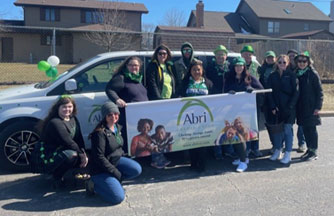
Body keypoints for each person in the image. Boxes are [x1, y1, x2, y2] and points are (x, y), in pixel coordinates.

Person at [88, 102, 142, 204]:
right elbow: (99, 157)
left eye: (115, 113)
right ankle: (94, 185)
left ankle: (112, 183)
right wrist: (114, 172)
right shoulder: (99, 133)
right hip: (101, 169)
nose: (113, 117)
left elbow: (119, 147)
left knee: (136, 169)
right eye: (109, 115)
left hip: (116, 160)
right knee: (117, 198)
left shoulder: (117, 127)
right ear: (105, 116)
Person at [33, 95, 89, 188]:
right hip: (49, 153)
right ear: (58, 108)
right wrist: (81, 155)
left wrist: (84, 153)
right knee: (72, 156)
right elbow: (68, 141)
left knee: (83, 156)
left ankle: (69, 172)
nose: (67, 109)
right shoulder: (55, 122)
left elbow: (79, 138)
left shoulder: (73, 118)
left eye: (70, 106)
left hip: (63, 148)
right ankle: (56, 177)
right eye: (64, 107)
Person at [224, 57, 263, 172]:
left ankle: (243, 160)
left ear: (244, 67)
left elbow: (261, 89)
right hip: (232, 111)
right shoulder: (230, 78)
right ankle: (241, 157)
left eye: (241, 66)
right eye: (236, 66)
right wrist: (228, 93)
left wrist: (252, 89)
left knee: (241, 136)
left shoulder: (249, 78)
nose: (238, 68)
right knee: (235, 137)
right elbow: (224, 91)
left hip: (246, 112)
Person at [105, 56, 148, 154]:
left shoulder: (138, 79)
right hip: (128, 117)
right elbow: (109, 89)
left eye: (136, 65)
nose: (134, 67)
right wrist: (117, 99)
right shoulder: (122, 78)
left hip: (141, 116)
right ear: (126, 66)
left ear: (139, 67)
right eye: (131, 65)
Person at [146, 44, 178, 167]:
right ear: (156, 55)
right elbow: (152, 83)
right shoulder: (153, 66)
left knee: (166, 131)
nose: (162, 56)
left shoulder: (169, 67)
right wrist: (159, 101)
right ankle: (156, 158)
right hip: (158, 103)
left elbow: (173, 84)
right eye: (160, 53)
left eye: (165, 53)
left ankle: (167, 155)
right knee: (157, 133)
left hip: (169, 103)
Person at [182, 59, 213, 172]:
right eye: (194, 69)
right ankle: (193, 163)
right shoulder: (185, 83)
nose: (196, 72)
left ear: (202, 70)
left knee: (203, 141)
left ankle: (202, 164)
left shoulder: (208, 83)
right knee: (191, 141)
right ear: (190, 71)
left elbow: (215, 98)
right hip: (189, 118)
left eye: (198, 69)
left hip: (204, 117)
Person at [268, 54, 299, 164]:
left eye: (284, 62)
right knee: (277, 131)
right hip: (276, 108)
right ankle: (277, 150)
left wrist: (290, 106)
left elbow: (296, 93)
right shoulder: (272, 76)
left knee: (287, 130)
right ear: (277, 63)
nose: (282, 64)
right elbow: (270, 93)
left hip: (289, 109)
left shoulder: (292, 75)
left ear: (288, 63)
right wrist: (272, 106)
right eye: (280, 62)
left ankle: (288, 153)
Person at [206, 45, 235, 160]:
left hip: (228, 101)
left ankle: (229, 149)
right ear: (215, 56)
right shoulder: (210, 68)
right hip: (215, 101)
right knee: (217, 126)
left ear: (226, 56)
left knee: (229, 126)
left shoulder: (230, 67)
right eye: (218, 54)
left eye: (222, 54)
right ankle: (217, 151)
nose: (220, 57)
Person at [295, 51, 323, 161]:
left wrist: (318, 107)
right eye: (300, 61)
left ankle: (314, 151)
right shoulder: (297, 73)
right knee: (305, 129)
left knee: (311, 129)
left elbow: (319, 91)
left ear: (308, 62)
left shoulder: (313, 74)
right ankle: (309, 149)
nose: (302, 63)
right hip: (301, 107)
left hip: (311, 107)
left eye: (304, 61)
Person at [287, 49, 307, 153]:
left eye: (294, 56)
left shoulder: (303, 68)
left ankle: (301, 143)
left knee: (301, 124)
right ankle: (286, 144)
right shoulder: (284, 68)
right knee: (288, 124)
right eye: (289, 56)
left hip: (301, 101)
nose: (292, 58)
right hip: (289, 101)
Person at [258, 50, 277, 153]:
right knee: (269, 124)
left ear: (275, 58)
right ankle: (273, 144)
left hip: (276, 99)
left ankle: (278, 145)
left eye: (272, 57)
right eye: (268, 57)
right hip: (265, 101)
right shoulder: (261, 70)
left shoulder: (278, 68)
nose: (270, 59)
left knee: (277, 124)